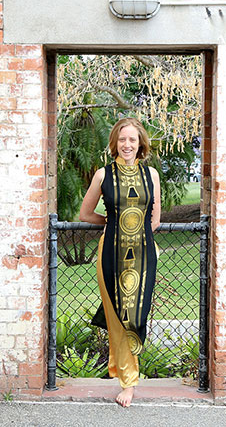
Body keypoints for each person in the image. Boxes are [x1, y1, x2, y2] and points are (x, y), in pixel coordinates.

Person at [79, 117, 161, 407]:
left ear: (140, 144)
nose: (127, 145)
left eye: (133, 140)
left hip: (143, 254)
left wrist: (136, 235)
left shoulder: (151, 175)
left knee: (137, 314)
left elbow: (155, 220)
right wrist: (113, 223)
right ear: (115, 142)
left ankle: (126, 371)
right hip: (110, 254)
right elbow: (85, 214)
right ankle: (128, 381)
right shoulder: (103, 175)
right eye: (122, 139)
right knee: (118, 316)